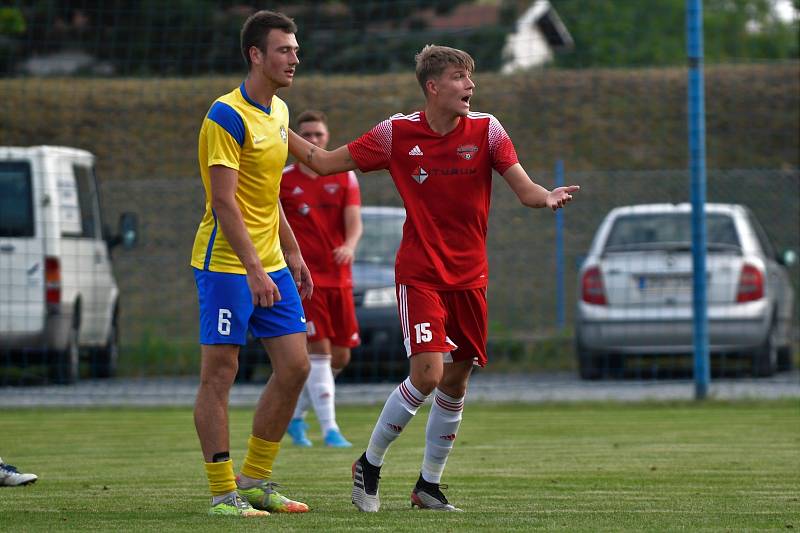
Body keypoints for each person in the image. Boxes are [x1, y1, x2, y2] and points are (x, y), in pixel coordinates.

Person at [287, 44, 579, 512]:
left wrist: (546, 197)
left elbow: (524, 188)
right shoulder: (395, 133)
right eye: (461, 78)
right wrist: (272, 129)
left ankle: (428, 486)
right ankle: (370, 463)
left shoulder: (487, 130)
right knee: (427, 373)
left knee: (456, 383)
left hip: (471, 277)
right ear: (433, 86)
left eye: (472, 79)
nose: (470, 87)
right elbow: (322, 162)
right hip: (420, 274)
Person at [190, 10, 313, 518]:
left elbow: (268, 196)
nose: (294, 58)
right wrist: (255, 270)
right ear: (256, 55)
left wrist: (292, 252)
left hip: (271, 264)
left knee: (296, 367)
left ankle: (256, 480)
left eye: (296, 49)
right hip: (225, 266)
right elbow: (226, 203)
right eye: (284, 49)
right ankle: (223, 493)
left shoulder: (280, 113)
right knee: (221, 373)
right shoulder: (226, 115)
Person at [280, 110, 363, 448]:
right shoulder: (283, 179)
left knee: (341, 357)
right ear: (295, 142)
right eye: (307, 135)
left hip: (340, 278)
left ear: (327, 138)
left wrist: (349, 244)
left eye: (318, 135)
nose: (313, 141)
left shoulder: (345, 177)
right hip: (305, 280)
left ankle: (295, 418)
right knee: (320, 353)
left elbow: (354, 221)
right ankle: (331, 430)